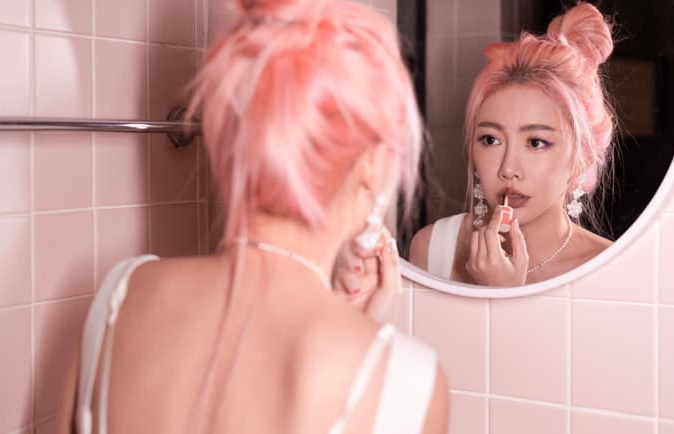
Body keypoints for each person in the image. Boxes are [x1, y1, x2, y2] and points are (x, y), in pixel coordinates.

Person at [56, 1, 449, 433]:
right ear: (372, 163)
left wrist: (359, 332)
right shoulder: (407, 383)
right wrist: (369, 347)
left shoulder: (121, 296)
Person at [410, 2, 616, 286]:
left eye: (536, 142)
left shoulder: (610, 269)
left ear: (583, 156)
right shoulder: (432, 248)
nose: (508, 169)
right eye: (491, 140)